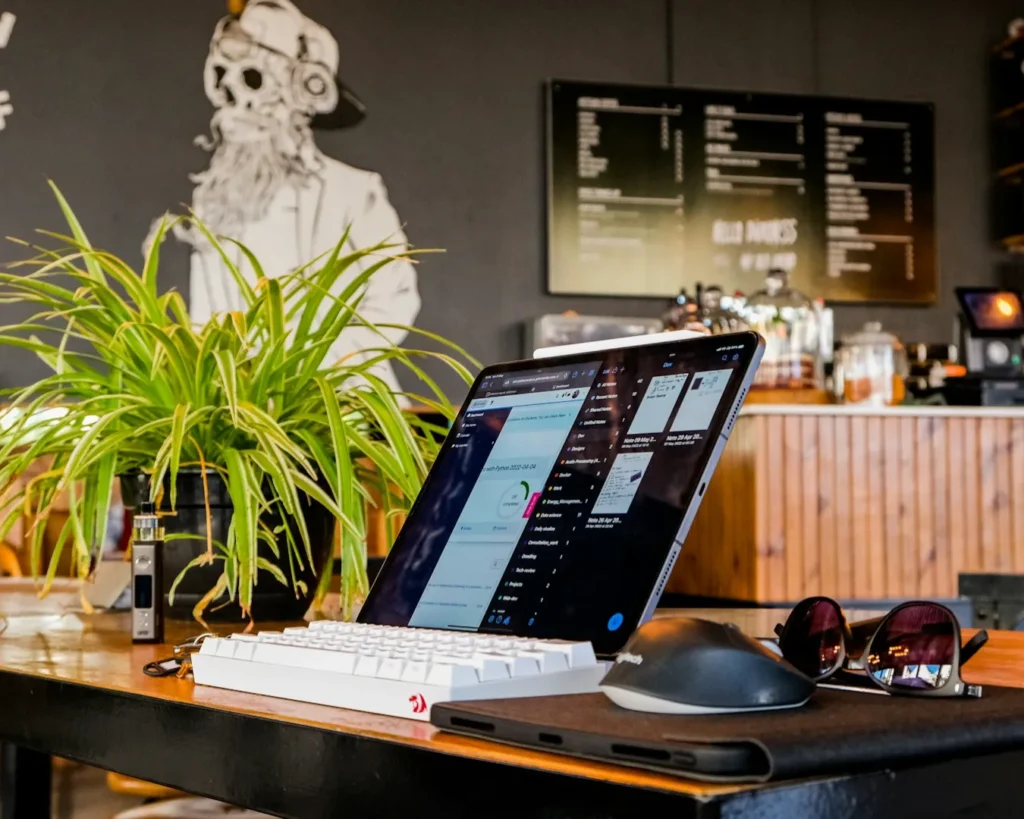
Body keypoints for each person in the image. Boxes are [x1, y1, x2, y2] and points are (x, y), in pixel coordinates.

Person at [148, 0, 420, 397]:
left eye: (252, 79)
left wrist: (299, 372)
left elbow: (393, 306)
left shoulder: (354, 192)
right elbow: (206, 320)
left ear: (304, 89)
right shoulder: (215, 202)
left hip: (345, 412)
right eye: (220, 77)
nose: (233, 97)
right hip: (242, 420)